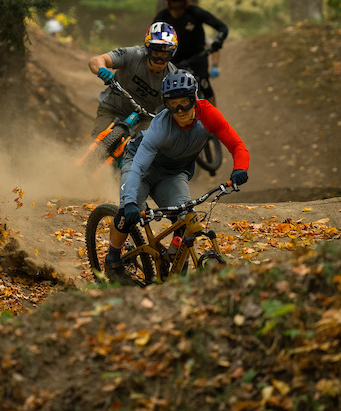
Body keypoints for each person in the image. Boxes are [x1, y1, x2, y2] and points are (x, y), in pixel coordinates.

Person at [105, 69, 250, 283]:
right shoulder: (160, 128)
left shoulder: (208, 114)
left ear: (195, 99)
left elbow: (237, 145)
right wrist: (130, 202)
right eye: (173, 104)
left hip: (173, 174)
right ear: (166, 104)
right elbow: (137, 169)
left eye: (185, 102)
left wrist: (240, 168)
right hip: (141, 167)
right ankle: (113, 259)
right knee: (128, 212)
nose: (180, 109)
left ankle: (175, 264)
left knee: (185, 219)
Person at [87, 22, 179, 137]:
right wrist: (102, 69)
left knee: (143, 147)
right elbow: (96, 60)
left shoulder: (172, 77)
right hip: (112, 108)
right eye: (155, 52)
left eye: (165, 54)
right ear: (148, 49)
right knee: (97, 145)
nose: (160, 59)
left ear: (172, 53)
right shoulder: (133, 54)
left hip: (144, 118)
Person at [153, 0, 228, 107]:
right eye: (173, 5)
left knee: (205, 84)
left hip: (197, 57)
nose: (177, 9)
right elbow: (151, 39)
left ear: (187, 2)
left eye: (180, 4)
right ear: (167, 4)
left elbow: (222, 27)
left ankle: (215, 121)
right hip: (173, 60)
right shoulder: (162, 17)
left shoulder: (195, 12)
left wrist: (217, 42)